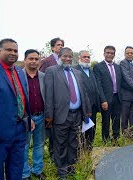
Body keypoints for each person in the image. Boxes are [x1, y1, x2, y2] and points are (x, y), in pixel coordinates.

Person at [44, 47, 92, 179]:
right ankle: (62, 172)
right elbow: (48, 96)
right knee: (60, 144)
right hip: (60, 115)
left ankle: (72, 167)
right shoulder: (51, 71)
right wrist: (49, 116)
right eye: (65, 56)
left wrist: (87, 111)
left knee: (74, 143)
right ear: (59, 56)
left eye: (70, 56)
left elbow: (84, 93)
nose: (68, 58)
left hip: (77, 115)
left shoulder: (77, 73)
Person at [0, 38, 35, 180]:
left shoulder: (18, 71)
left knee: (16, 168)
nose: (13, 53)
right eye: (9, 50)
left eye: (15, 50)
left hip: (20, 129)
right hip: (0, 132)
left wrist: (27, 117)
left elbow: (21, 97)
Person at [22, 49, 46, 180]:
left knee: (39, 144)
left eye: (36, 59)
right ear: (25, 60)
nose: (34, 61)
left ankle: (37, 170)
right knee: (24, 146)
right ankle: (25, 173)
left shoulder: (43, 76)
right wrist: (27, 116)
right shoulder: (19, 75)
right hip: (25, 118)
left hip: (41, 116)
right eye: (31, 58)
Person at [39, 37, 64, 161]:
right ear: (53, 47)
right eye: (58, 45)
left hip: (62, 102)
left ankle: (58, 152)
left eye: (62, 45)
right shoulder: (46, 61)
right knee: (51, 129)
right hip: (50, 101)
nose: (60, 47)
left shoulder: (64, 61)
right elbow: (41, 80)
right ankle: (53, 154)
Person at [93, 45, 123, 143]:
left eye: (112, 53)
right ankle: (105, 140)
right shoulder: (98, 67)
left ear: (114, 55)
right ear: (104, 53)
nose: (109, 55)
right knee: (106, 121)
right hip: (106, 99)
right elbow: (98, 85)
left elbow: (122, 83)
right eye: (108, 53)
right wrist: (103, 100)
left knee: (116, 119)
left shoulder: (118, 67)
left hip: (117, 98)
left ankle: (116, 139)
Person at [73, 50, 101, 151]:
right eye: (84, 57)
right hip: (82, 107)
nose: (87, 59)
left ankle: (89, 149)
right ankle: (80, 151)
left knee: (91, 130)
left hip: (93, 106)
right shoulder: (74, 70)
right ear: (79, 58)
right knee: (81, 131)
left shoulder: (91, 71)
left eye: (88, 57)